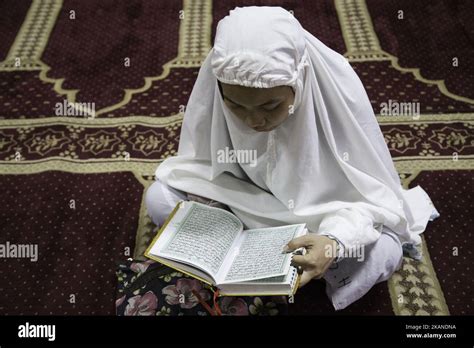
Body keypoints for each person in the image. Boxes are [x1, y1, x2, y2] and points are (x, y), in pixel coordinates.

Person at [145, 6, 440, 310]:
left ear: (299, 82)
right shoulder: (219, 91)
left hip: (319, 221)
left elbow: (370, 198)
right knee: (160, 197)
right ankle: (253, 262)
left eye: (270, 106)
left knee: (381, 251)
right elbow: (199, 170)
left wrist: (333, 242)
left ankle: (287, 265)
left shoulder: (335, 90)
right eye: (236, 106)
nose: (253, 121)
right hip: (245, 207)